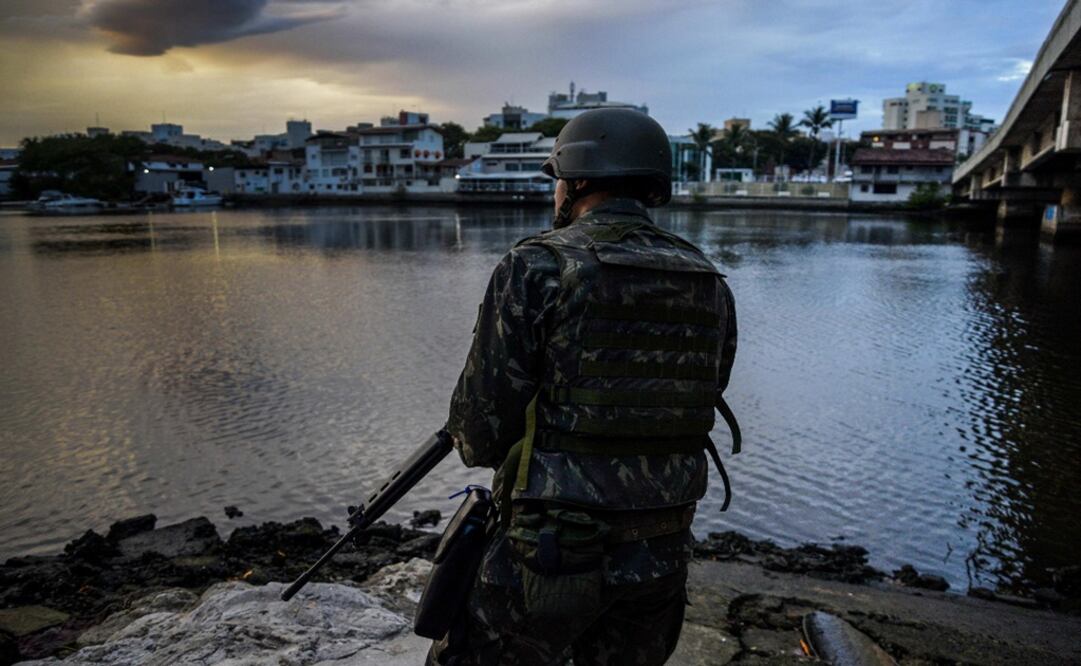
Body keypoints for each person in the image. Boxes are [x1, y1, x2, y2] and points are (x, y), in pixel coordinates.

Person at [429, 108, 738, 666]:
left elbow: (478, 431)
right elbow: (704, 393)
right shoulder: (706, 276)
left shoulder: (538, 264)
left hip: (552, 551)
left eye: (557, 180)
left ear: (576, 181)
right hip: (662, 549)